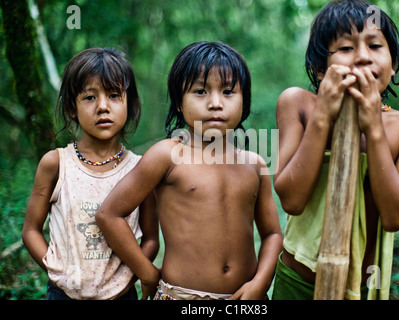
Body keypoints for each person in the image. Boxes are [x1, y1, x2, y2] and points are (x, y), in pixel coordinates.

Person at [96, 41, 283, 300]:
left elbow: (272, 233)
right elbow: (109, 214)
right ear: (180, 103)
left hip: (246, 298)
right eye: (200, 91)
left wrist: (260, 284)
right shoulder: (167, 155)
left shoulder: (255, 164)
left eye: (228, 91)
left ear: (244, 101)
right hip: (182, 296)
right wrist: (146, 272)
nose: (216, 103)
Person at [272, 0, 399, 300]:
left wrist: (373, 127)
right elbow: (291, 200)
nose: (361, 57)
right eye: (346, 48)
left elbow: (395, 217)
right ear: (321, 69)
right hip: (298, 282)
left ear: (393, 62)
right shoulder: (298, 105)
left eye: (374, 46)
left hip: (363, 287)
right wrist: (322, 117)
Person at [22, 48, 159, 300]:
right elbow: (31, 230)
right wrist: (57, 272)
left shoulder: (141, 170)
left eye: (114, 95)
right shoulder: (56, 164)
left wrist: (130, 275)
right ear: (72, 108)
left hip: (121, 295)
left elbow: (151, 238)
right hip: (63, 294)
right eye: (89, 97)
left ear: (129, 103)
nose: (103, 107)